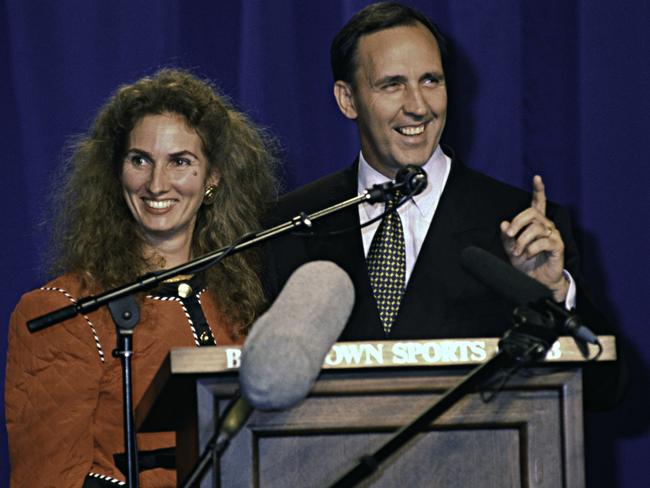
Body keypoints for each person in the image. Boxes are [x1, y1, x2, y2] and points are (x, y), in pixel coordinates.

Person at [264, 2, 624, 409]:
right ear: (347, 100)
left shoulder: (523, 224)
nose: (418, 105)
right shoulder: (291, 225)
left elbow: (609, 392)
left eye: (431, 80)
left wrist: (553, 293)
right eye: (392, 84)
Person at [5, 68, 278, 487]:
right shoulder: (61, 310)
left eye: (180, 162)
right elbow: (49, 478)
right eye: (140, 160)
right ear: (117, 173)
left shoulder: (248, 300)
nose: (156, 183)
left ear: (213, 179)